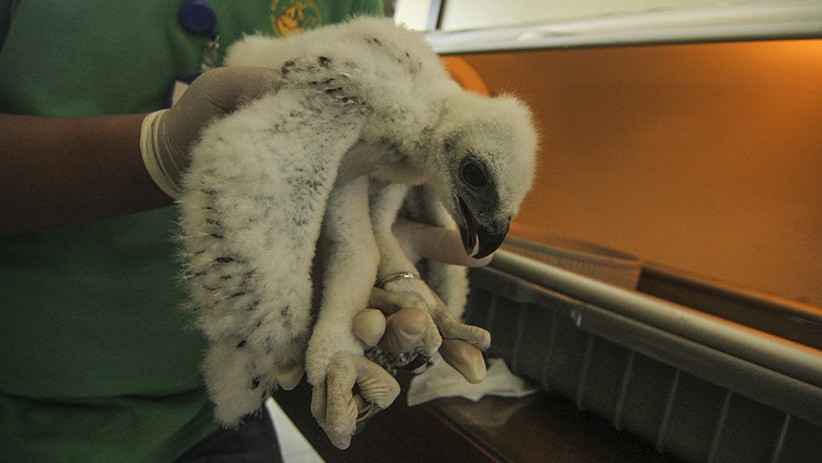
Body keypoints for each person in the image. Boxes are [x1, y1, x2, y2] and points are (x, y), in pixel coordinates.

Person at [0, 2, 490, 461]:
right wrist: (155, 154)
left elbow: (348, 198)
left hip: (213, 408)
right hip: (29, 409)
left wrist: (389, 254)